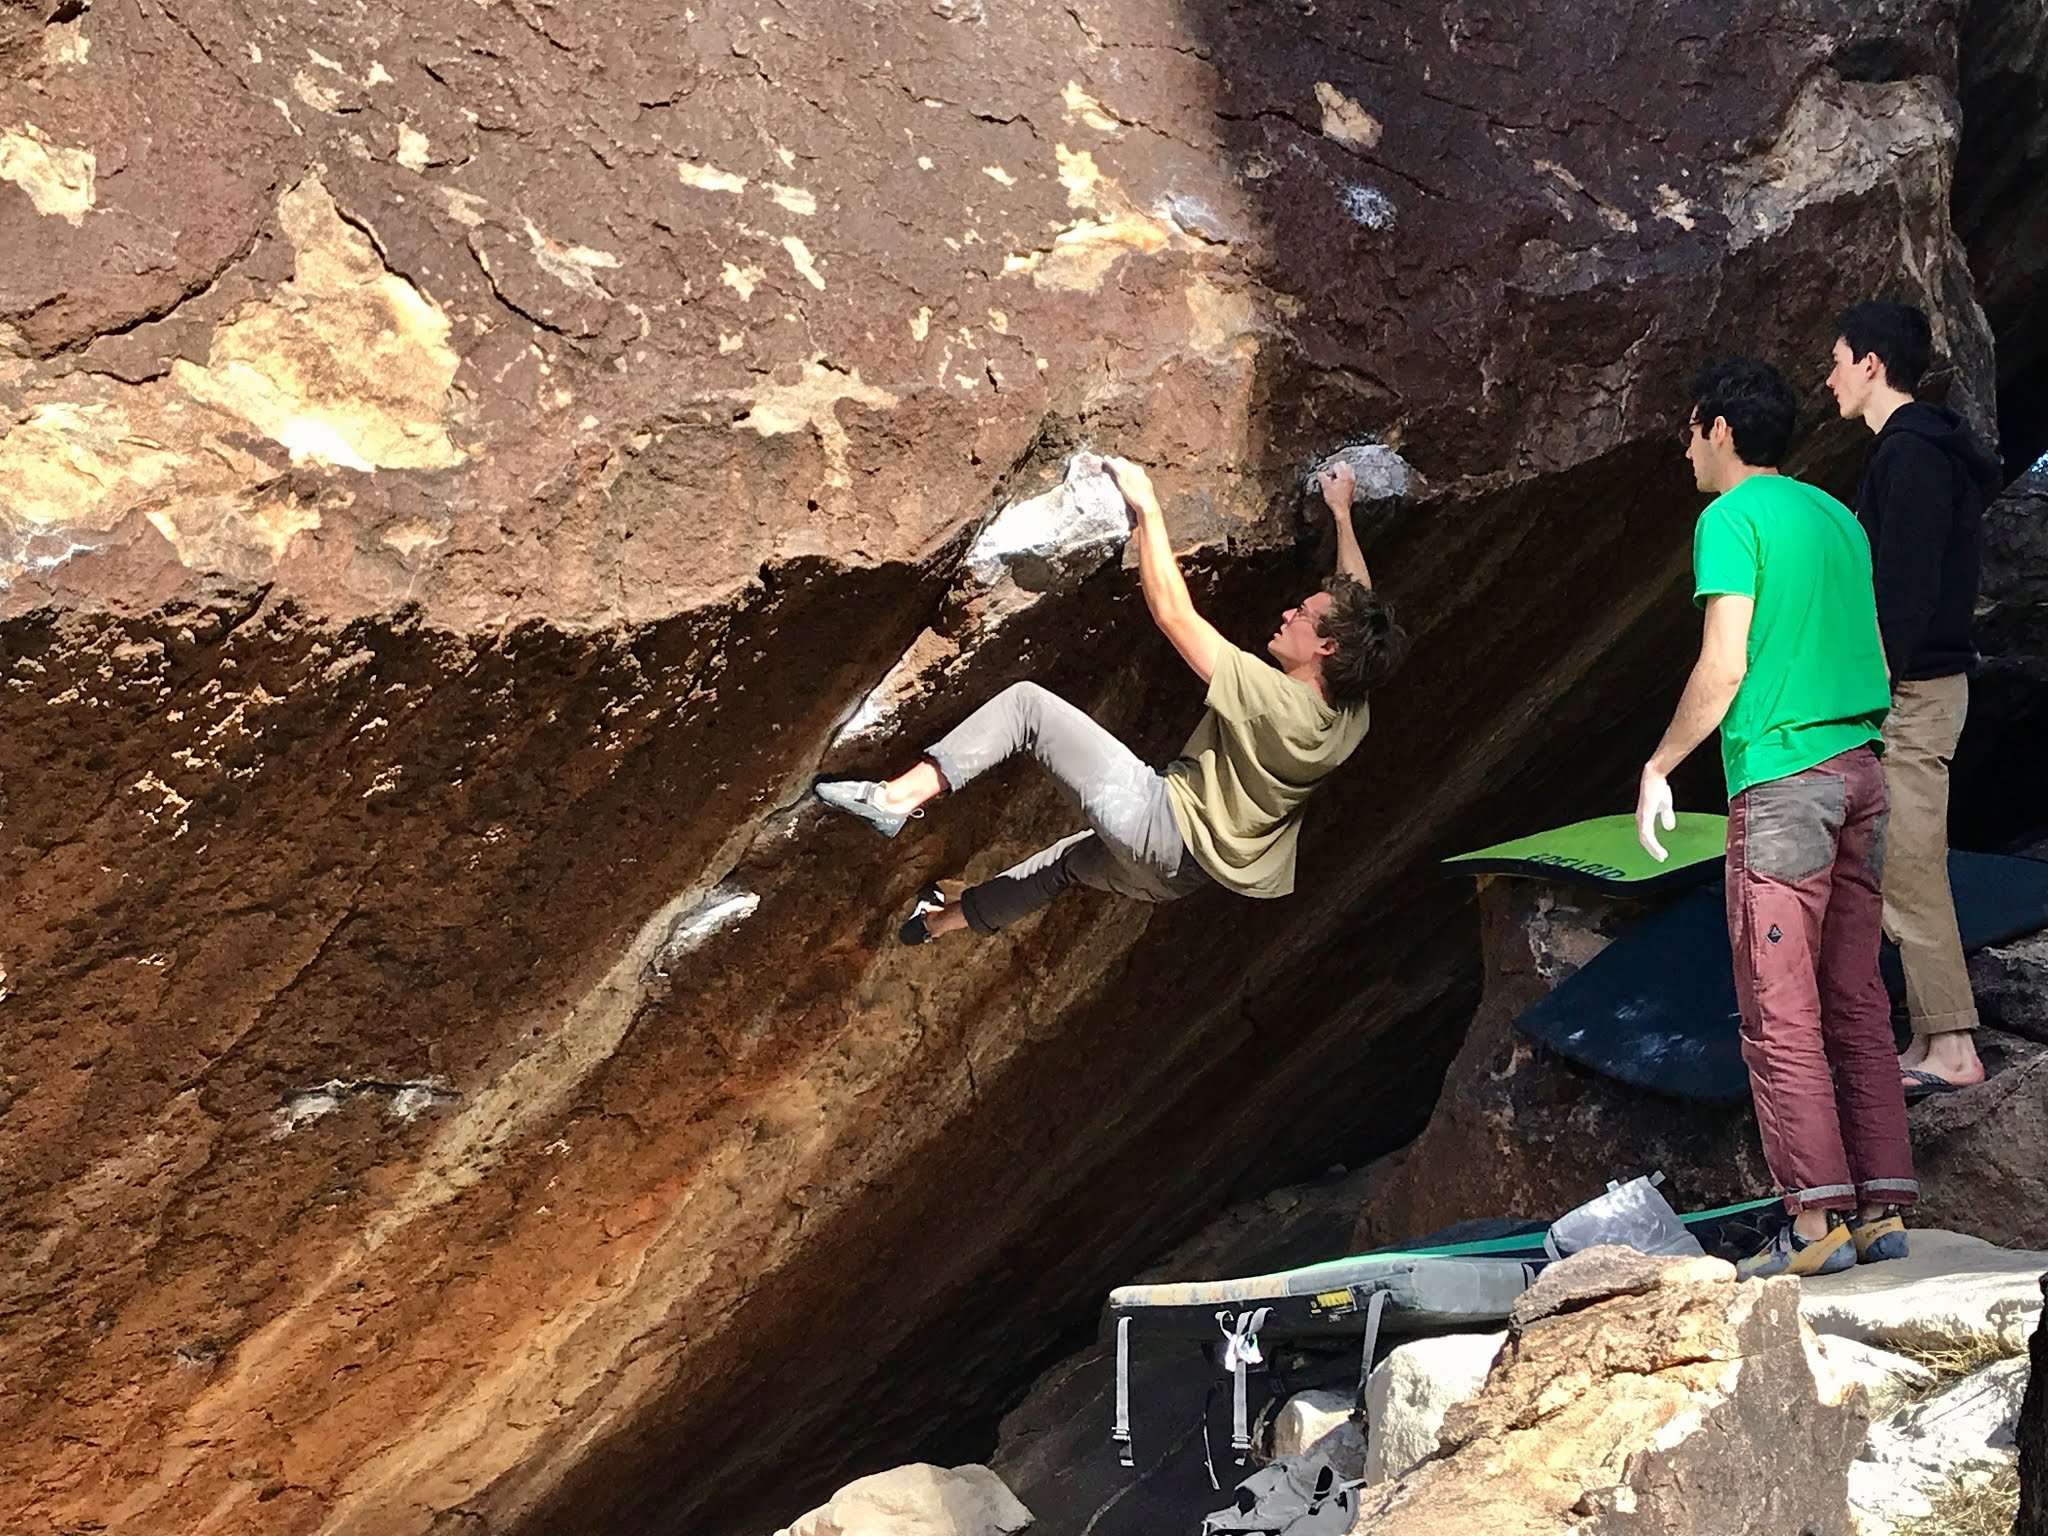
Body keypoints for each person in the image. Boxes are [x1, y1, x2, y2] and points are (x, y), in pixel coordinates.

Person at [814, 456, 1407, 944]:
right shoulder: (1350, 712)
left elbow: (1174, 615)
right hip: (1183, 874)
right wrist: (1341, 512)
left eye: (1301, 615)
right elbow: (1359, 599)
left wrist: (1148, 508)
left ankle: (896, 798)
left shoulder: (1272, 700)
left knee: (1027, 707)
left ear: (1325, 649)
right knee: (1066, 864)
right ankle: (939, 923)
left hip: (1159, 823)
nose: (1287, 613)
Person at [1635, 357, 1915, 1278]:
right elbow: (1875, 646)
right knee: (1858, 1000)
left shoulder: (1729, 519)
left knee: (1779, 1012)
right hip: (1863, 772)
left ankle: (1814, 1223)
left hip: (1785, 777)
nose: (1685, 450)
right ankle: (1883, 1209)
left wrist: (1661, 765)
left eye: (1688, 431)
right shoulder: (1836, 515)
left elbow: (1724, 667)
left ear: (1718, 427)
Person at [1825, 301, 2005, 1097]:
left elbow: (1904, 589)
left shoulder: (1912, 456)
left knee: (1911, 864)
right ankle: (1935, 1037)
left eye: (1837, 361)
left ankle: (1955, 1046)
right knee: (1897, 859)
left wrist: (1873, 689)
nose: (1828, 378)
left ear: (1871, 364)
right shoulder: (1912, 452)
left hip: (1915, 690)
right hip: (1919, 684)